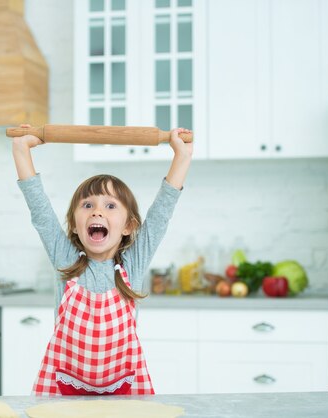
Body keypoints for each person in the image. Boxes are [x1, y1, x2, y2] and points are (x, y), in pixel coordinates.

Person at [11, 124, 193, 396]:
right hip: (66, 391)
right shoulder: (65, 259)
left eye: (110, 206)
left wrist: (182, 157)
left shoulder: (133, 263)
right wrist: (21, 150)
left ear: (128, 226)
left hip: (123, 390)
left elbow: (160, 216)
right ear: (74, 224)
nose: (97, 212)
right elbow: (40, 211)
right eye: (87, 205)